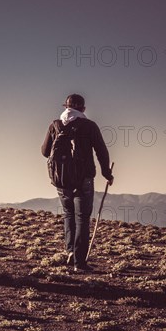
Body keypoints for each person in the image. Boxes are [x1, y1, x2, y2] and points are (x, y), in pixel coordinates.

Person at [41, 93, 114, 272]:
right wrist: (107, 173)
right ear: (83, 109)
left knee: (68, 215)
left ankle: (70, 252)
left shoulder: (55, 125)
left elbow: (44, 151)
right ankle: (79, 264)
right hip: (84, 180)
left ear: (65, 107)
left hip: (61, 181)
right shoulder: (89, 126)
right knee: (82, 218)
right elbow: (101, 151)